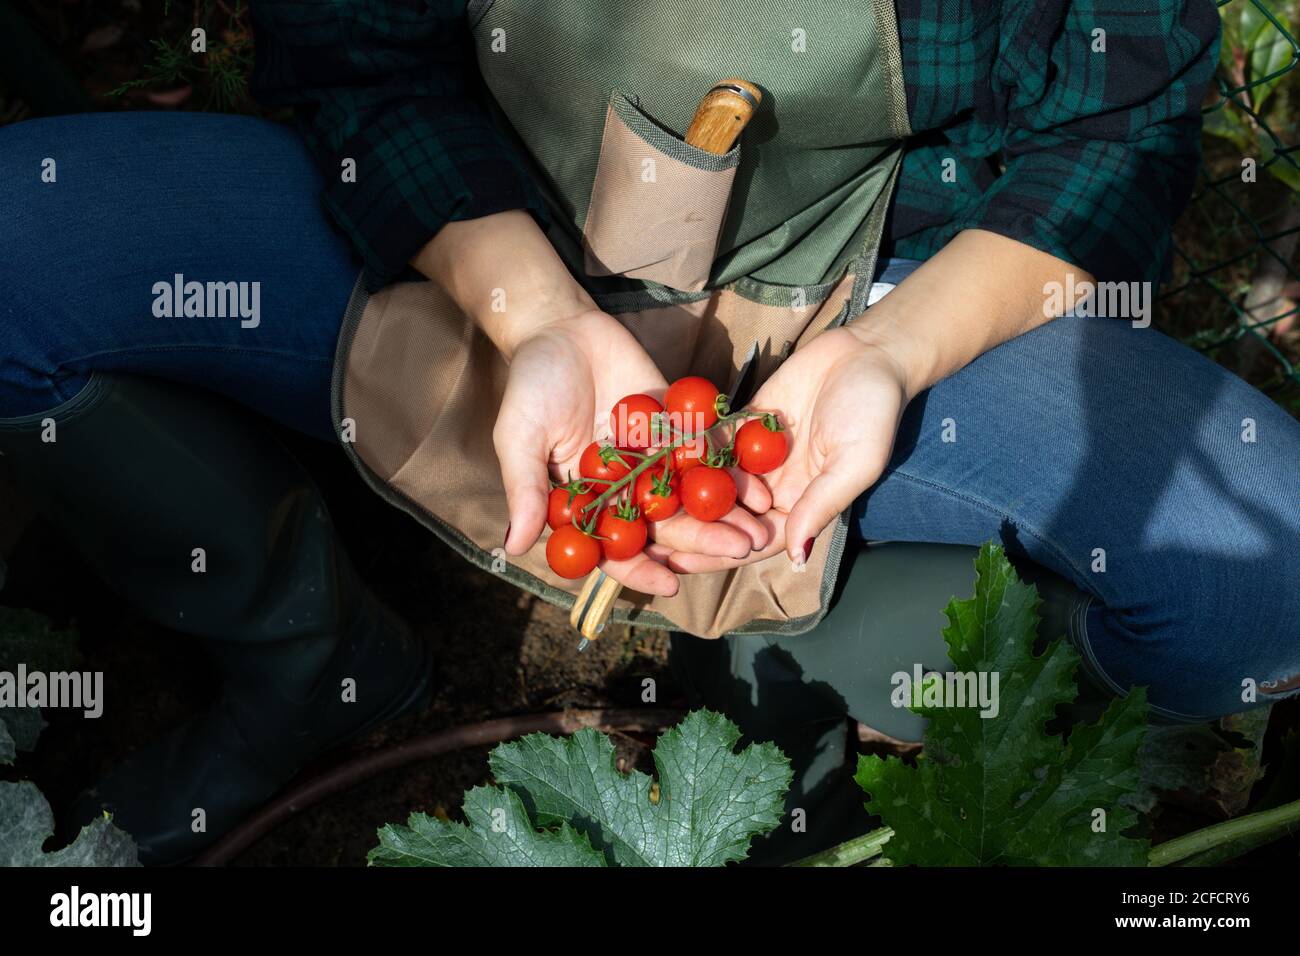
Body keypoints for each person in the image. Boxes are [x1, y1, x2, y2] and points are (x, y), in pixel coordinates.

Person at [1, 0, 1296, 865]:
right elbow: (354, 62)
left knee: (1267, 586)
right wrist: (532, 311)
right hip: (471, 223)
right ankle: (310, 664)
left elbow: (1120, 127)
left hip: (862, 272)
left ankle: (824, 659)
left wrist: (891, 357)